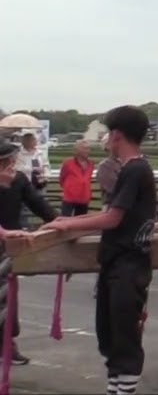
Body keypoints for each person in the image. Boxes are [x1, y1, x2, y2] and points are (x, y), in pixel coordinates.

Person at [41, 106, 157, 395]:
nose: (105, 140)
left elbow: (112, 218)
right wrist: (68, 220)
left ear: (116, 135)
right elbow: (110, 214)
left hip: (128, 265)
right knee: (109, 335)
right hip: (116, 263)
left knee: (124, 338)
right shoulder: (132, 169)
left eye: (107, 134)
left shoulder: (135, 170)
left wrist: (67, 226)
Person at [0, 142, 58, 365]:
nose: (13, 166)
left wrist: (60, 223)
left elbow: (39, 205)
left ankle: (7, 344)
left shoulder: (19, 180)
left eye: (13, 161)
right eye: (7, 162)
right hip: (5, 237)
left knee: (7, 298)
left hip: (8, 247)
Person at [58, 140, 95, 217]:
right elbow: (62, 178)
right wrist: (69, 189)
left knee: (80, 223)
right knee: (65, 221)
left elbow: (88, 179)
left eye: (88, 148)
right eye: (84, 148)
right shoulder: (68, 164)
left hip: (84, 199)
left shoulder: (91, 164)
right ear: (77, 150)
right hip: (69, 199)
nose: (87, 151)